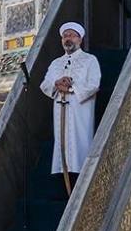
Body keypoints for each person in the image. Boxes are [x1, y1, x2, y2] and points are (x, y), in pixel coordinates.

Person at [40, 21, 101, 189]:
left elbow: (94, 84)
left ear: (80, 40)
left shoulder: (90, 60)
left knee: (80, 144)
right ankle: (63, 178)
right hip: (60, 107)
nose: (68, 39)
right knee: (63, 148)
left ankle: (80, 179)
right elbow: (45, 84)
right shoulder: (56, 63)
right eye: (65, 36)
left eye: (72, 35)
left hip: (80, 110)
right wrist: (57, 84)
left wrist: (72, 88)